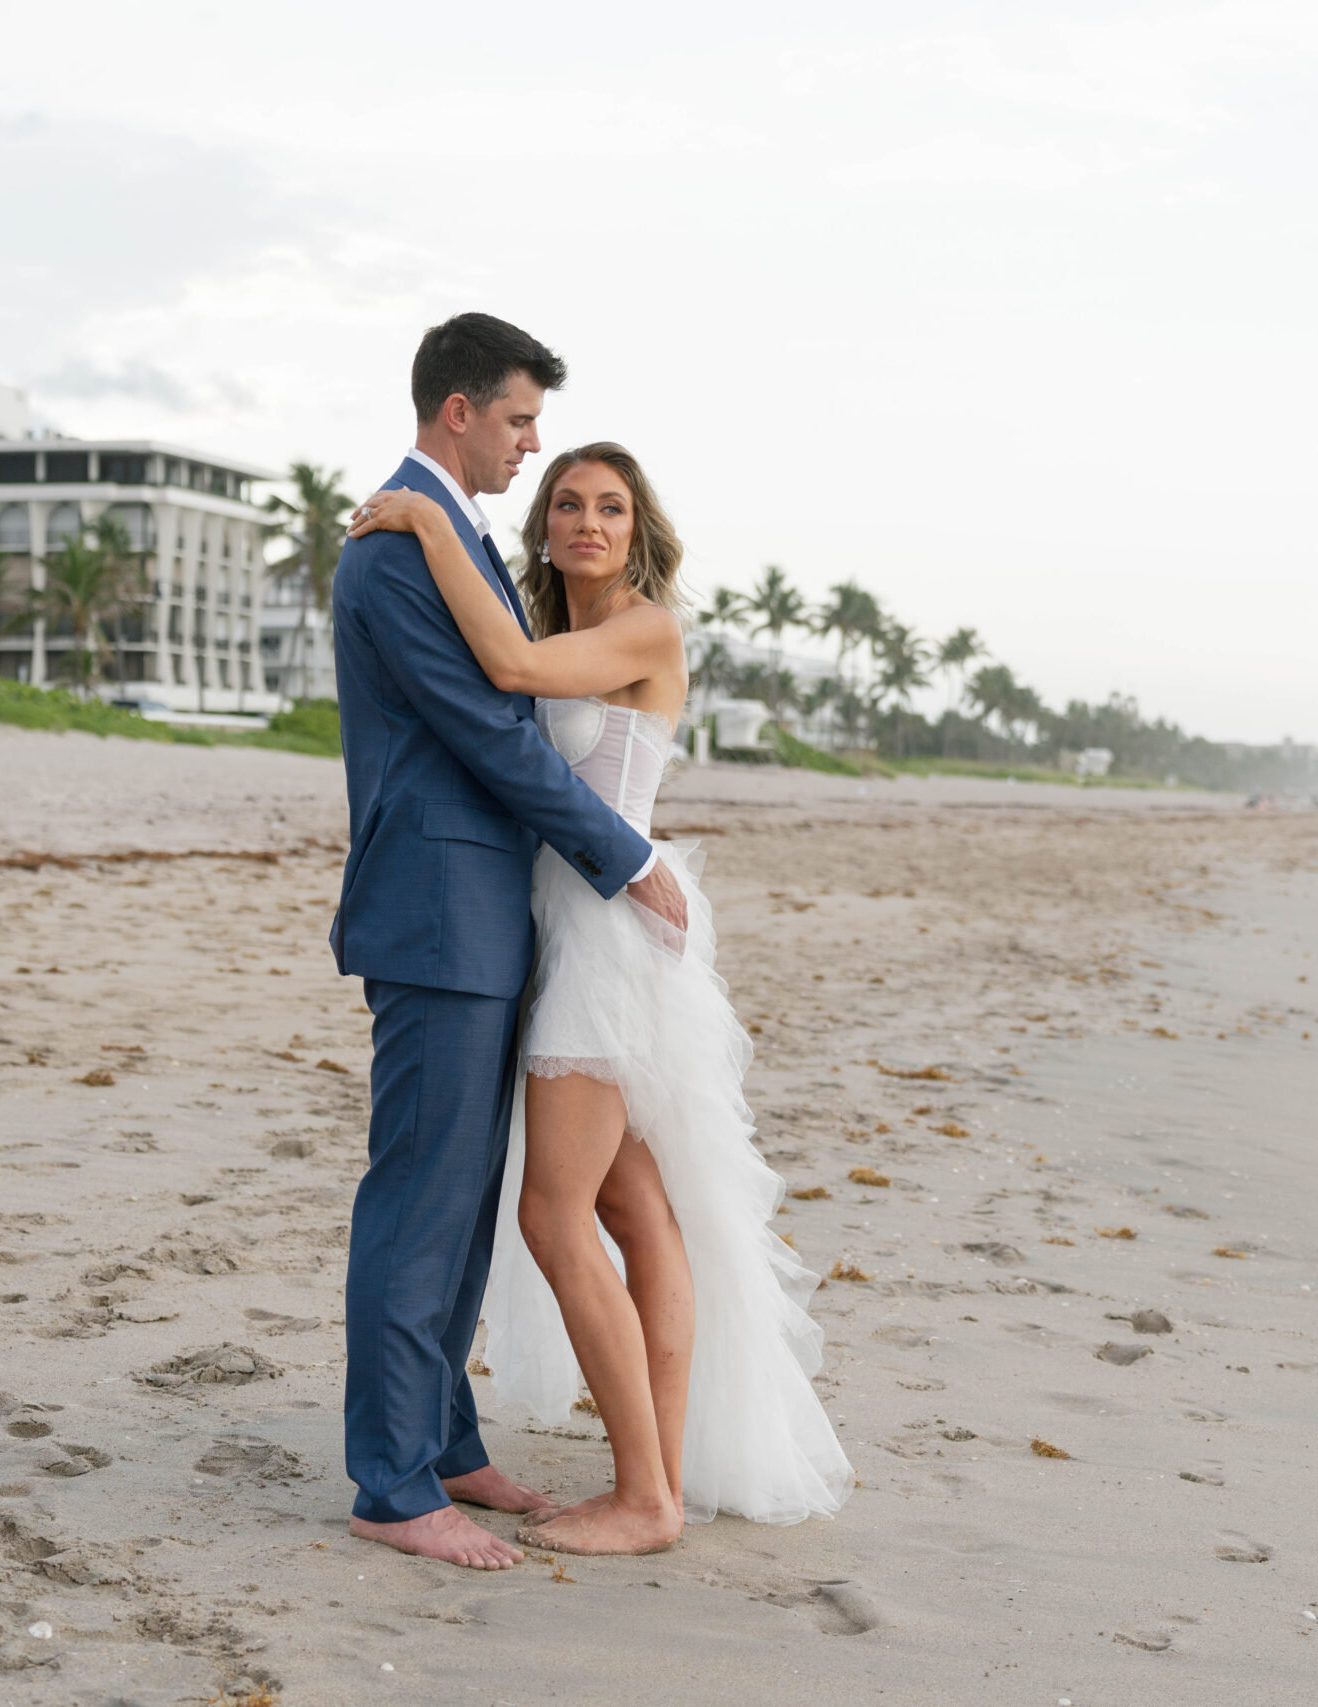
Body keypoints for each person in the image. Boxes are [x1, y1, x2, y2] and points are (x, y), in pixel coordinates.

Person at [349, 442, 853, 1555]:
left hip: (605, 937)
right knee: (635, 1212)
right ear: (545, 530)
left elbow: (509, 681)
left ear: (639, 530)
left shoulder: (643, 628)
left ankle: (643, 1499)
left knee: (552, 1212)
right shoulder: (561, 634)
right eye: (568, 504)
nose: (588, 522)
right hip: (571, 931)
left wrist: (432, 527)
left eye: (611, 507)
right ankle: (654, 1486)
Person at [330, 313, 692, 1571]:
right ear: (458, 413)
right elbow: (490, 734)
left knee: (467, 1204)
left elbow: (516, 702)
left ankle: (442, 1439)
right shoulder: (395, 544)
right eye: (521, 421)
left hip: (495, 922)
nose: (530, 444)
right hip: (441, 916)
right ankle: (391, 1482)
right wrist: (625, 855)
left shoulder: (448, 536)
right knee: (420, 1204)